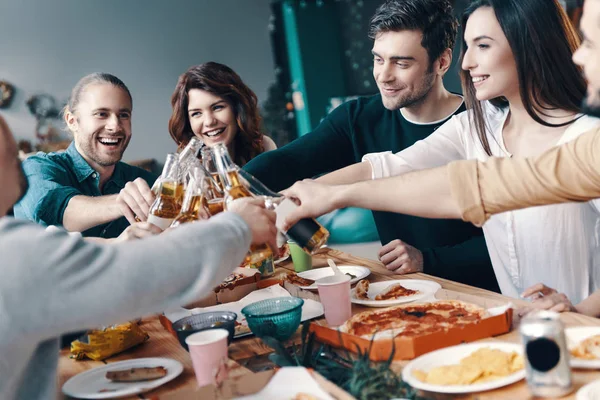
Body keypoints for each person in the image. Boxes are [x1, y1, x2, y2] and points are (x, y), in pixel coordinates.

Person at [281, 0, 600, 306]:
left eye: (483, 46)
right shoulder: (475, 126)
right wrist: (305, 195)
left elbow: (462, 188)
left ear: (529, 44)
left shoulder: (586, 136)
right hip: (525, 327)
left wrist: (583, 311)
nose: (466, 62)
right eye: (468, 46)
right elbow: (393, 166)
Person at [0, 113, 278, 400]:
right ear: (72, 119)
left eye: (124, 114)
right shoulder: (14, 250)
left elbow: (77, 266)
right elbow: (147, 273)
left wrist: (123, 246)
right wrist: (238, 226)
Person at [244, 0, 498, 292]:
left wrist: (428, 259)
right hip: (407, 292)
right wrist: (230, 190)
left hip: (480, 292)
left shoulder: (477, 124)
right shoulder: (359, 118)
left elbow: (507, 239)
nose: (383, 75)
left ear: (441, 62)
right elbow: (287, 162)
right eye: (379, 59)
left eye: (401, 63)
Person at [12, 73, 160, 239]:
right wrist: (123, 202)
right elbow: (57, 212)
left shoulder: (149, 183)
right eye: (101, 114)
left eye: (124, 115)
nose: (115, 126)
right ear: (72, 121)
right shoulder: (35, 169)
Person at [168, 62, 276, 167]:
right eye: (196, 113)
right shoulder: (185, 170)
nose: (209, 121)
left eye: (217, 107)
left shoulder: (263, 147)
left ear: (237, 108)